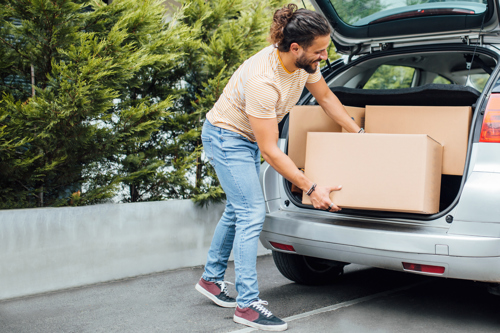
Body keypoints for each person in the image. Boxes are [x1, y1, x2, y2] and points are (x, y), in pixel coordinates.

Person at [195, 4, 362, 331]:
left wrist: (358, 133)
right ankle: (247, 306)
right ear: (295, 47)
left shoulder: (304, 62)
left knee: (237, 208)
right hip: (227, 137)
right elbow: (271, 150)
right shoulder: (263, 80)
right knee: (251, 212)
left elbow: (326, 97)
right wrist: (311, 188)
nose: (324, 57)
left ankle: (211, 279)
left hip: (247, 139)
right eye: (319, 51)